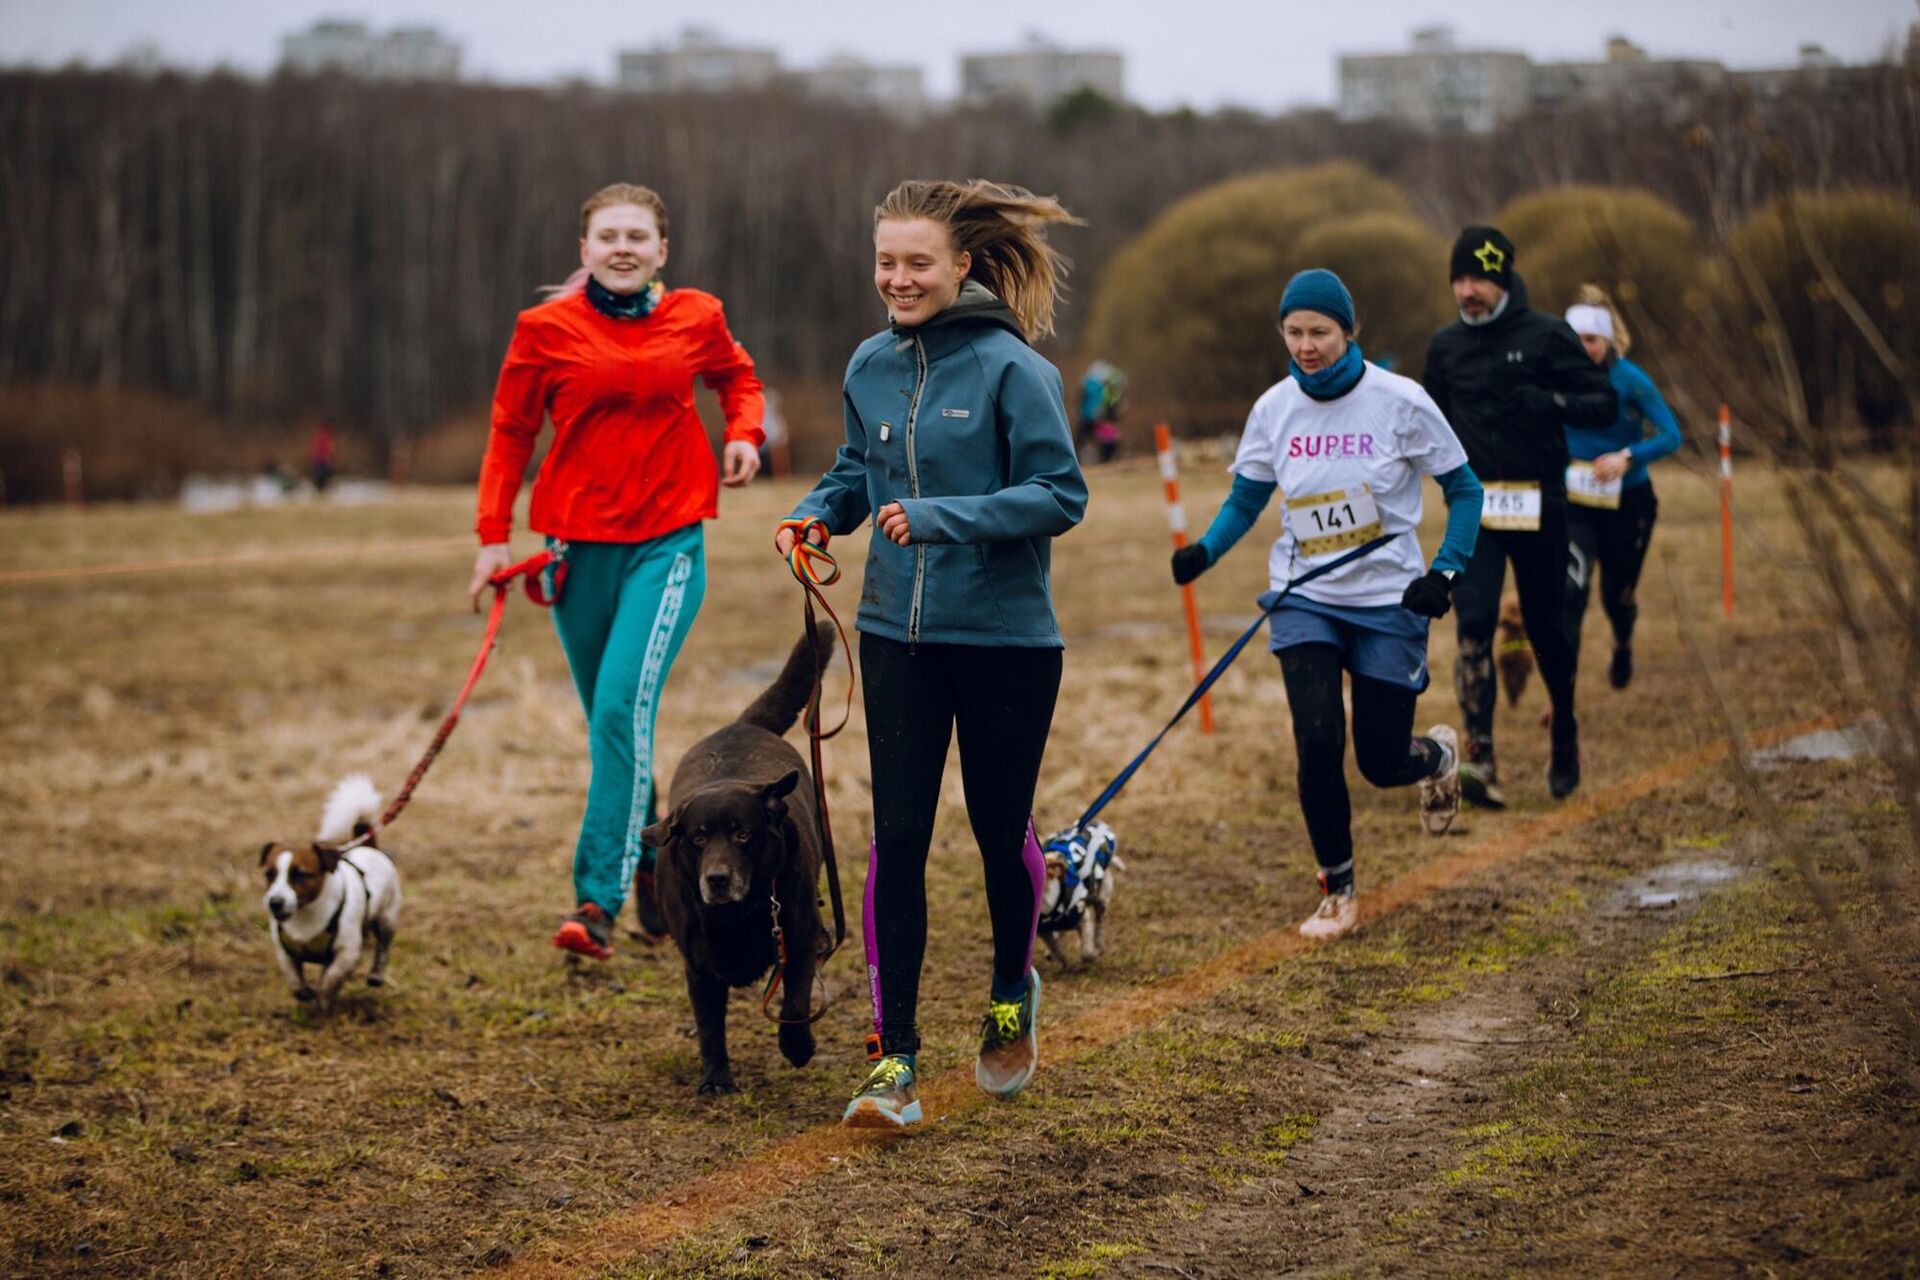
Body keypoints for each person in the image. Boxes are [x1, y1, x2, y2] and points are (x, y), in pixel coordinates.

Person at [776, 179, 1088, 1128]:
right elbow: (855, 472)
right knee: (898, 840)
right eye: (886, 262)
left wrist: (946, 519)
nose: (899, 279)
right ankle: (894, 1061)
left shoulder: (1013, 370)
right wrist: (815, 515)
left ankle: (1007, 997)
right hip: (894, 636)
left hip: (1005, 643)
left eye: (919, 262)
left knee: (999, 836)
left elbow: (1061, 494)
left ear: (961, 265)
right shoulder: (869, 363)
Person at [469, 182, 765, 962]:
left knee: (619, 712)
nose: (623, 247)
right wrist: (492, 536)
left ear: (662, 251)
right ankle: (647, 855)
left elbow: (739, 378)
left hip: (667, 543)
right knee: (614, 727)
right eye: (609, 236)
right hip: (575, 547)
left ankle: (595, 899)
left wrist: (745, 432)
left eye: (639, 235)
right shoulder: (543, 329)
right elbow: (509, 432)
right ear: (585, 250)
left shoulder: (696, 315)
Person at [1174, 268, 1483, 940]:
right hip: (1304, 597)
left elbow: (1466, 490)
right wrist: (1207, 550)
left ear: (1350, 331)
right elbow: (1248, 498)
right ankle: (1337, 891)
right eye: (1294, 332)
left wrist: (1446, 572)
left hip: (1389, 599)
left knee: (1378, 761)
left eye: (1320, 332)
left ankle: (1436, 758)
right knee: (1317, 742)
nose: (1306, 345)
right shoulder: (1273, 409)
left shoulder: (1401, 401)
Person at [1422, 226, 1619, 807]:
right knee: (1474, 622)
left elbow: (1602, 401)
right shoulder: (1445, 346)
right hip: (1475, 505)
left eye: (1478, 278)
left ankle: (1564, 727)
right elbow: (1427, 419)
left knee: (1546, 628)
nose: (1466, 290)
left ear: (1502, 278)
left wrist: (1549, 402)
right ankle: (1481, 754)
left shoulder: (1547, 335)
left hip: (1541, 504)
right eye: (1458, 279)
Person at [1560, 285, 1682, 690]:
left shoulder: (1630, 379)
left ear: (1607, 340)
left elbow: (1671, 435)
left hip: (1629, 502)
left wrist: (1626, 457)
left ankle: (1622, 641)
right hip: (1574, 503)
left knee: (1617, 596)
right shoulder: (1554, 375)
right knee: (1570, 594)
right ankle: (1562, 689)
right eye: (1574, 340)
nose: (1582, 348)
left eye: (1591, 341)